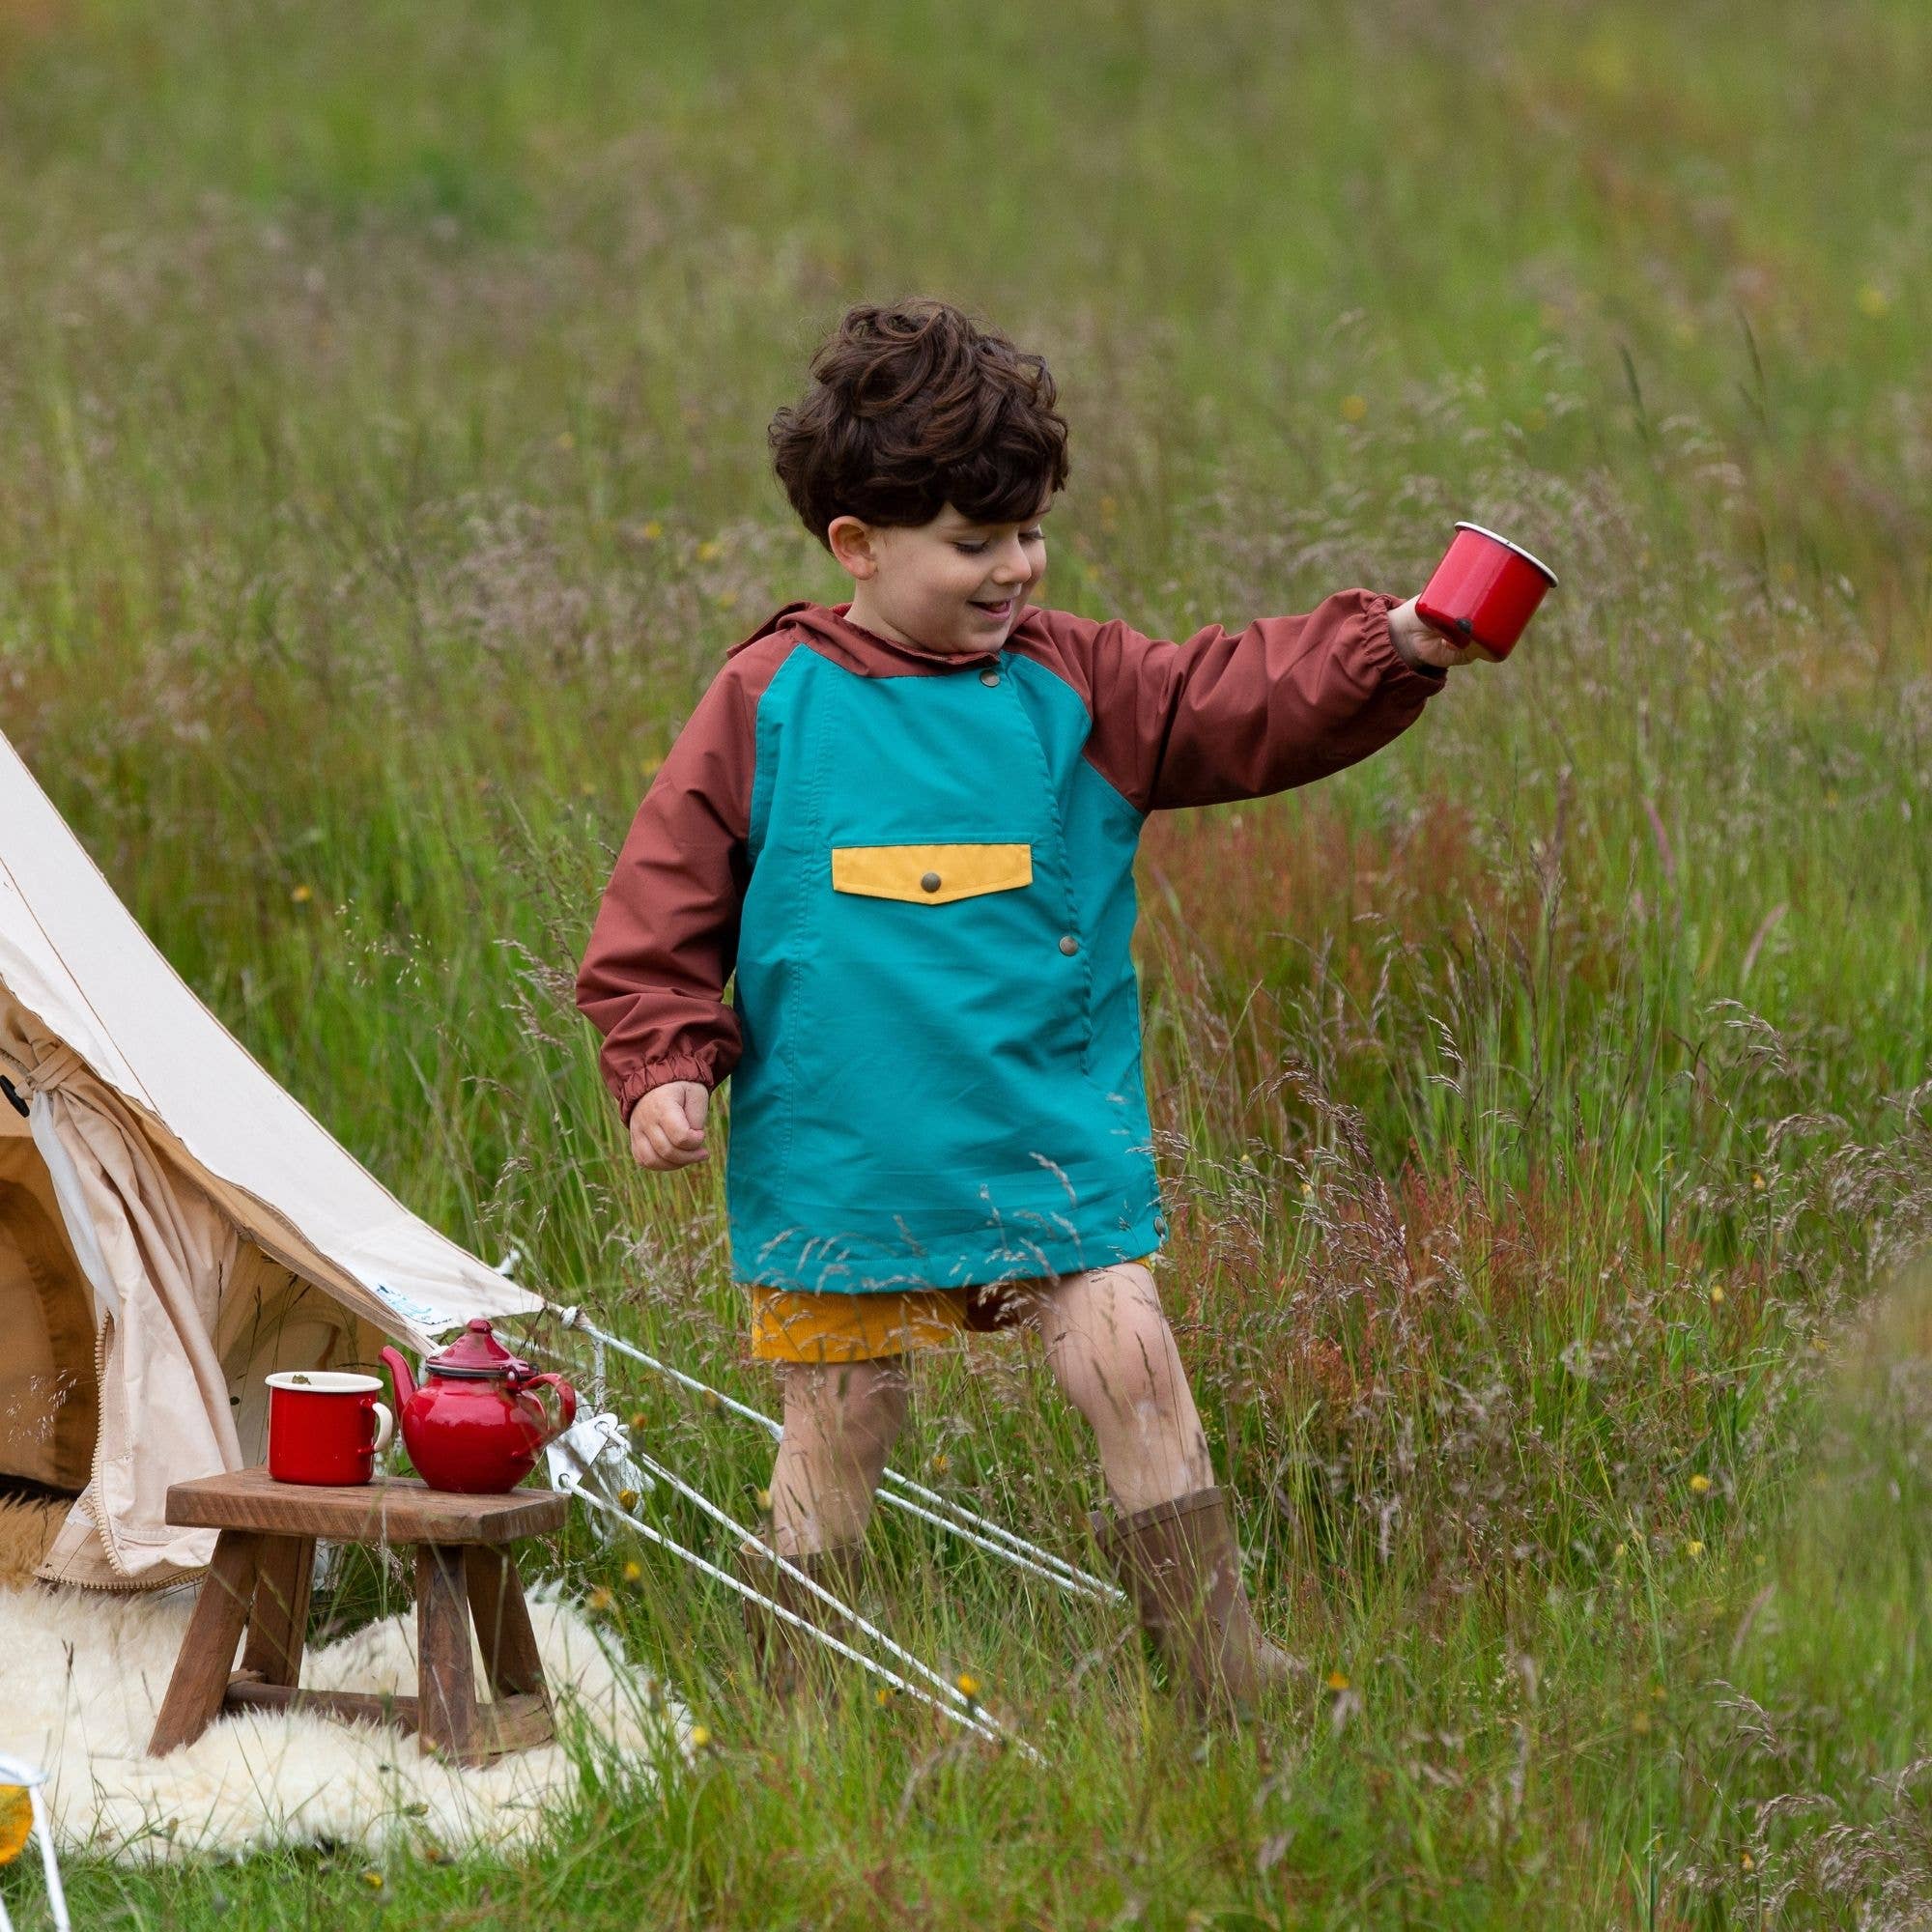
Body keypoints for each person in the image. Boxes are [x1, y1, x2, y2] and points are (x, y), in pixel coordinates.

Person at [576, 298, 1489, 1718]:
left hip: (1043, 1130)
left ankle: (1220, 1671)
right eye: (973, 542)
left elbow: (1230, 697)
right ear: (858, 547)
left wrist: (1395, 647)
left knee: (1129, 1356)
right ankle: (800, 1702)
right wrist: (661, 1066)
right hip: (841, 1147)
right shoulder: (770, 699)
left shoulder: (1081, 683)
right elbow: (663, 901)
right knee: (842, 1421)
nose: (1014, 568)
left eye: (1028, 534)